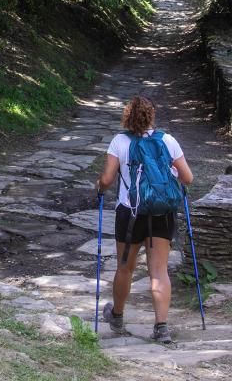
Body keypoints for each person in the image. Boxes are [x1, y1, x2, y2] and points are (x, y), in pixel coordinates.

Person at [95, 95, 193, 343]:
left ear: (127, 115)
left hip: (130, 213)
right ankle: (161, 327)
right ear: (152, 115)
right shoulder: (168, 141)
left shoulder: (119, 141)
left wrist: (99, 187)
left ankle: (117, 316)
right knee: (159, 271)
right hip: (162, 212)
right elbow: (188, 178)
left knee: (125, 267)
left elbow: (107, 180)